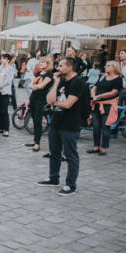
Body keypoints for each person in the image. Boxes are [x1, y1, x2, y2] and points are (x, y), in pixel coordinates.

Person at [37, 57, 88, 195]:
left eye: (60, 66)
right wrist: (56, 82)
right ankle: (53, 178)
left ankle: (71, 185)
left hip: (71, 123)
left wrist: (55, 103)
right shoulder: (62, 80)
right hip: (57, 120)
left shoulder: (78, 82)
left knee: (70, 154)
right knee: (54, 151)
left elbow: (67, 104)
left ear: (70, 67)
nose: (57, 68)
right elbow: (49, 99)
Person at [87, 61, 122, 156]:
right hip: (97, 104)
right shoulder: (103, 77)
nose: (106, 67)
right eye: (106, 65)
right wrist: (93, 95)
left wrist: (99, 96)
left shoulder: (118, 79)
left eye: (108, 65)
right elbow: (94, 87)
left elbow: (114, 92)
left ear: (115, 67)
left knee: (105, 127)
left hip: (108, 105)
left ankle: (104, 147)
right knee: (96, 127)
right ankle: (96, 147)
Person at [0, 53, 16, 137]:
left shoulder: (11, 69)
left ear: (8, 60)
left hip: (5, 91)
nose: (2, 60)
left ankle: (6, 129)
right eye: (1, 58)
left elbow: (8, 81)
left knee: (4, 111)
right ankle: (0, 127)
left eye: (3, 58)